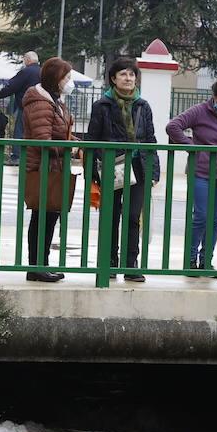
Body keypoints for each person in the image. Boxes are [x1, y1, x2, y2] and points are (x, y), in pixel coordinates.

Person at [86, 57, 160, 283]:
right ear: (113, 79)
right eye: (123, 74)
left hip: (138, 167)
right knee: (111, 216)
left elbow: (150, 139)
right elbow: (93, 139)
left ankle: (131, 265)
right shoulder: (102, 106)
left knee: (132, 217)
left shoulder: (142, 105)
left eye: (131, 74)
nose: (128, 79)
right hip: (112, 166)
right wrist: (93, 172)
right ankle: (109, 263)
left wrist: (154, 171)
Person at [165, 77, 217, 274]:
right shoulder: (199, 111)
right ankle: (191, 259)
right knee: (201, 216)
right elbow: (173, 126)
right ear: (214, 97)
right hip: (200, 172)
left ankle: (206, 260)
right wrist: (191, 147)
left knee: (214, 219)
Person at [20, 57, 75, 283]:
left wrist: (77, 143)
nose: (69, 82)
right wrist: (70, 148)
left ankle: (42, 265)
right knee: (42, 218)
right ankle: (37, 267)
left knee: (49, 217)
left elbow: (61, 134)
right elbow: (45, 139)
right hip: (43, 168)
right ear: (56, 79)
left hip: (53, 167)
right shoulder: (41, 103)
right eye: (67, 77)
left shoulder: (54, 101)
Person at [0, 51, 41, 166]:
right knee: (36, 133)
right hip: (41, 108)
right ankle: (34, 158)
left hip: (26, 107)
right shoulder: (43, 72)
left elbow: (12, 87)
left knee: (20, 132)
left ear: (27, 60)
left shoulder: (25, 72)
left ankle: (16, 157)